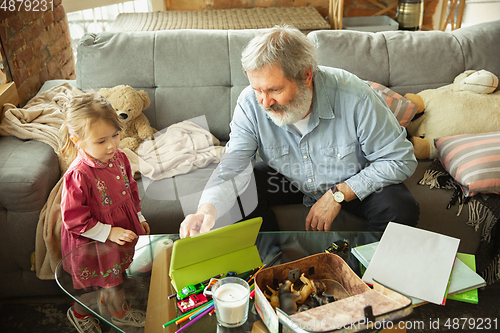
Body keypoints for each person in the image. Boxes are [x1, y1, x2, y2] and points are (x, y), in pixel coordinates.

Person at [180, 25, 419, 238]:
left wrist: (339, 193)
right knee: (240, 191)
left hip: (351, 178)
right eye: (257, 90)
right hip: (291, 177)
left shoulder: (355, 95)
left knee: (400, 207)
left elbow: (399, 159)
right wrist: (205, 211)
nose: (264, 102)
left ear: (306, 75)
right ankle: (268, 269)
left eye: (274, 90)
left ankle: (363, 277)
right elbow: (233, 166)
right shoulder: (249, 103)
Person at [59, 92, 150, 333]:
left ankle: (116, 310)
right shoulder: (78, 175)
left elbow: (131, 189)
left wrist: (139, 217)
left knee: (116, 279)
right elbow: (73, 219)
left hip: (118, 233)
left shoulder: (120, 157)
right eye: (101, 141)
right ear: (78, 140)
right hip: (93, 241)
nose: (111, 145)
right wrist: (108, 232)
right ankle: (79, 313)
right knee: (91, 289)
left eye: (115, 135)